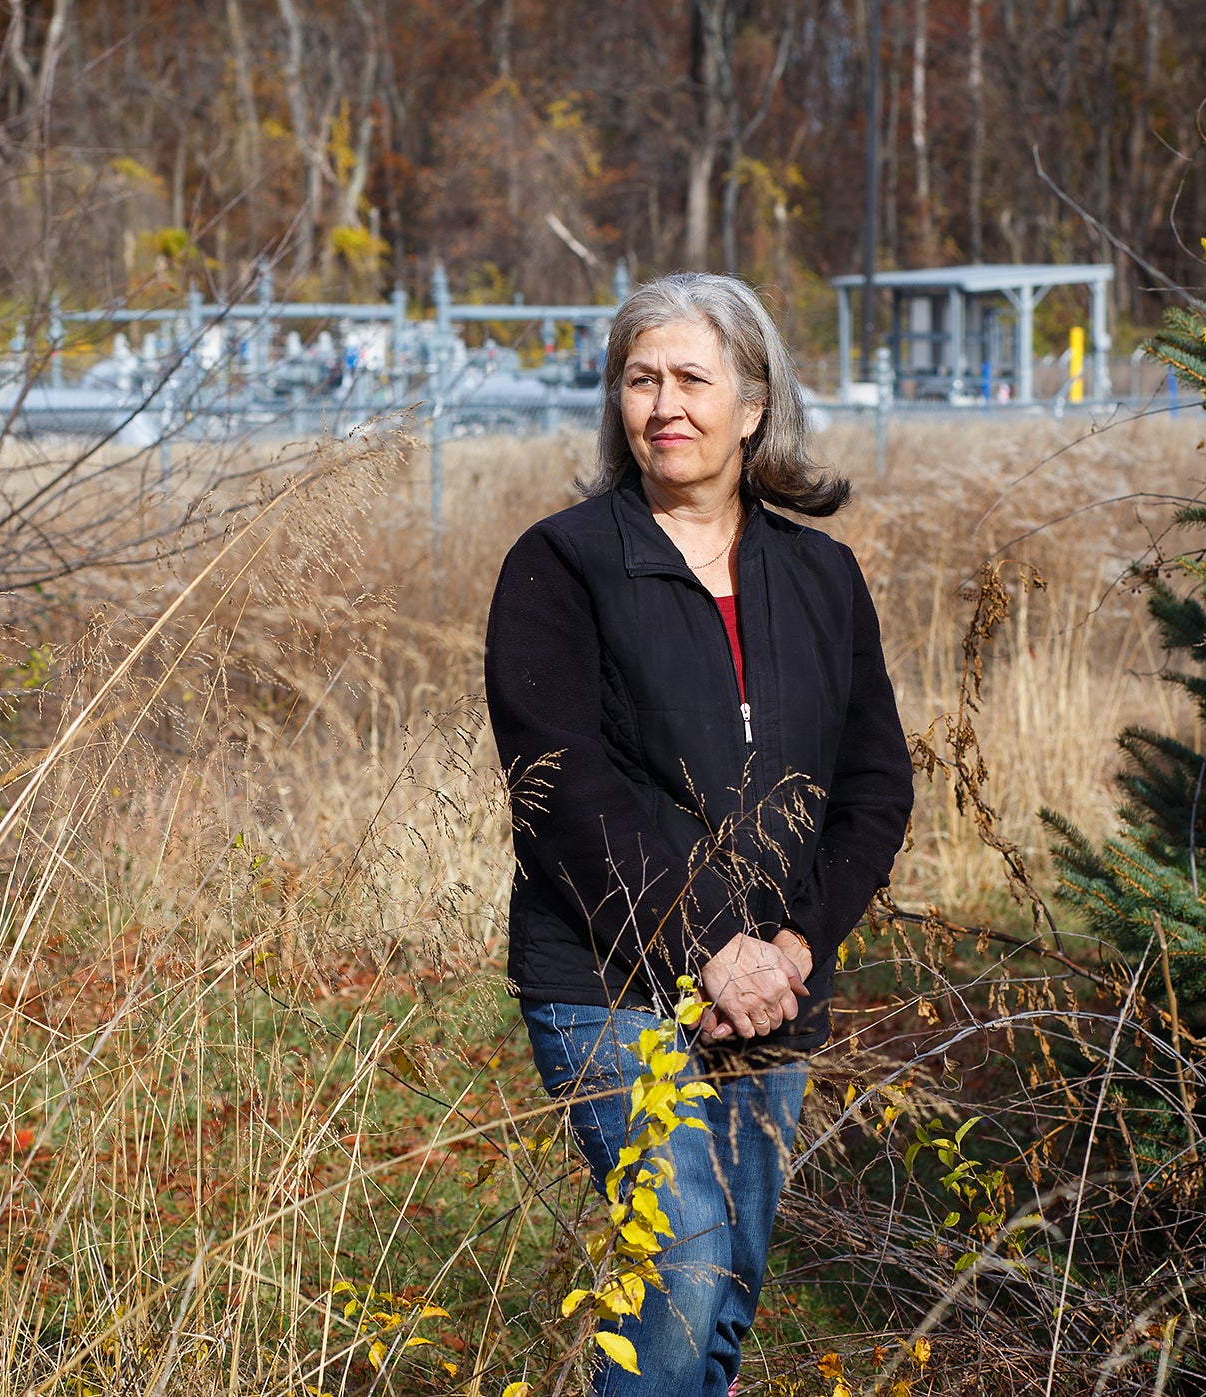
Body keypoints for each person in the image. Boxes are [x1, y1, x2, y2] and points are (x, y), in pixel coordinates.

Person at [484, 272, 913, 1397]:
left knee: (725, 1295)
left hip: (773, 985)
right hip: (608, 982)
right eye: (638, 379)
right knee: (679, 1274)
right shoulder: (560, 563)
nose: (662, 405)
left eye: (689, 378)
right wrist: (710, 945)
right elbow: (565, 786)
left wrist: (793, 946)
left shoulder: (820, 575)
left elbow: (872, 784)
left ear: (754, 403)